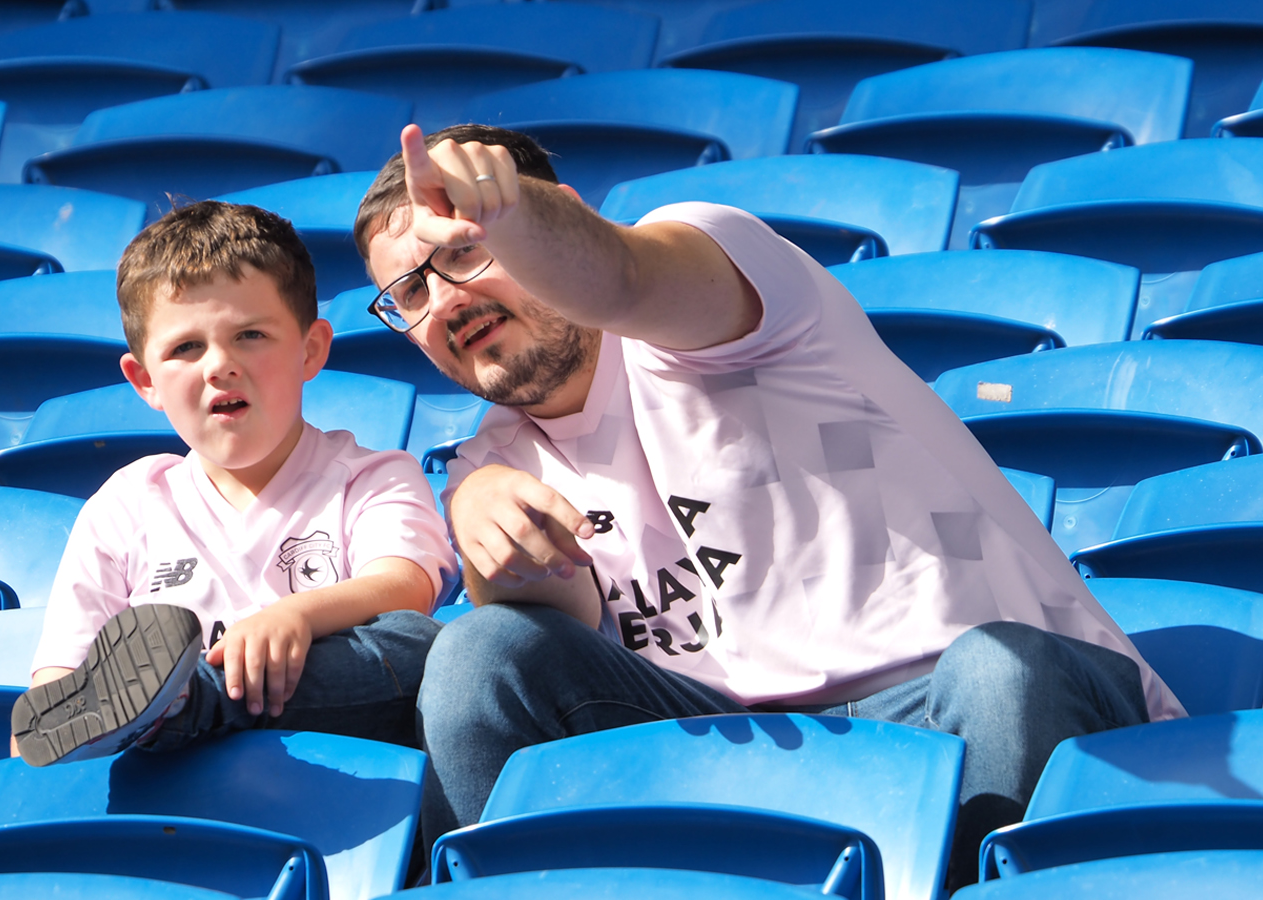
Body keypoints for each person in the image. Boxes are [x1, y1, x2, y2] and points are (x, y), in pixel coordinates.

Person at [354, 124, 1184, 886]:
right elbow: (535, 648)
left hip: (954, 696)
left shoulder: (717, 279)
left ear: (555, 215)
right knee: (476, 653)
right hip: (747, 752)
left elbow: (621, 275)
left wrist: (508, 213)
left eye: (463, 252)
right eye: (411, 293)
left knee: (1001, 671)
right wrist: (480, 514)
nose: (446, 302)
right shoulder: (490, 464)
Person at [11, 201, 456, 767]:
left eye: (249, 335)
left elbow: (405, 586)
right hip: (178, 799)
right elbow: (58, 699)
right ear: (144, 380)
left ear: (311, 349)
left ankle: (184, 703)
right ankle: (174, 708)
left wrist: (293, 617)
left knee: (426, 649)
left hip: (341, 769)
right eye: (186, 348)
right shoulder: (125, 505)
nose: (219, 365)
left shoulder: (372, 477)